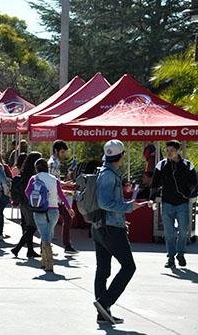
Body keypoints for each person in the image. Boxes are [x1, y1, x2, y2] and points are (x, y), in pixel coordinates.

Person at [93, 139, 144, 325]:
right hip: (110, 228)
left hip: (101, 226)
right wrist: (130, 207)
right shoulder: (108, 175)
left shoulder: (105, 172)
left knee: (103, 269)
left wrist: (122, 216)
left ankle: (103, 312)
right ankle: (104, 302)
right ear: (121, 156)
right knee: (129, 267)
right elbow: (104, 203)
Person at [150, 140, 196, 268]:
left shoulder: (187, 165)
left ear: (178, 151)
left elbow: (194, 182)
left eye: (172, 150)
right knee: (169, 233)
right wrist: (152, 198)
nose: (169, 153)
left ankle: (180, 253)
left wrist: (189, 193)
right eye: (167, 150)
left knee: (182, 231)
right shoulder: (162, 164)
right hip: (167, 203)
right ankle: (170, 258)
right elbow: (154, 183)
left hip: (182, 204)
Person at [25, 158, 74, 272]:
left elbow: (27, 192)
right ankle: (45, 260)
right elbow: (61, 195)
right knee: (48, 234)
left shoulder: (34, 178)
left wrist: (34, 201)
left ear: (36, 168)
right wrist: (68, 208)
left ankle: (48, 263)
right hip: (53, 210)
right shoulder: (54, 179)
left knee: (44, 235)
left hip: (39, 210)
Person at [48, 140, 78, 254]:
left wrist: (65, 185)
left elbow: (55, 181)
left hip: (56, 197)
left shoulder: (54, 162)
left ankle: (65, 245)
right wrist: (66, 185)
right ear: (56, 150)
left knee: (60, 219)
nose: (64, 154)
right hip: (54, 198)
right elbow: (52, 182)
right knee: (58, 220)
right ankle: (65, 245)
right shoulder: (53, 163)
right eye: (62, 151)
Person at [10, 152, 42, 258]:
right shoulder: (33, 176)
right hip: (30, 203)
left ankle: (30, 250)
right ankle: (17, 248)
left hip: (22, 203)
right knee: (32, 227)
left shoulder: (24, 174)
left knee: (28, 226)